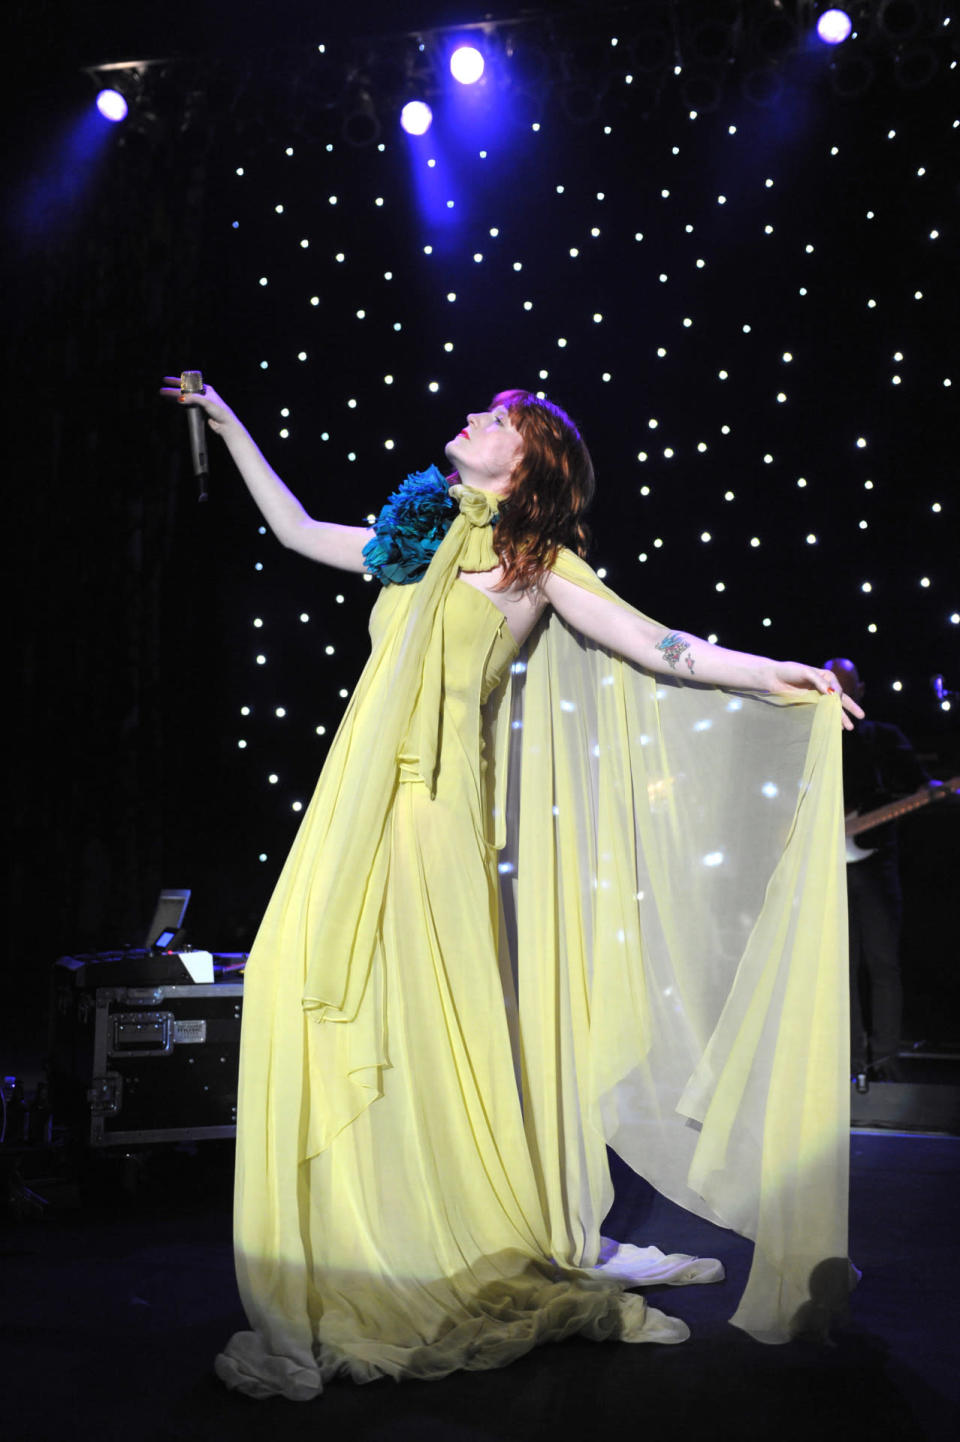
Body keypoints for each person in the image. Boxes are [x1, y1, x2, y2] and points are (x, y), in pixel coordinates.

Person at [161, 378, 862, 1399]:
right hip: (356, 803)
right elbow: (298, 526)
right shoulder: (414, 539)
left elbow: (667, 647)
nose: (476, 421)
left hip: (433, 818)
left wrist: (777, 671)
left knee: (412, 1020)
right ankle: (368, 1231)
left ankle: (446, 1234)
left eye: (500, 421)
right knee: (292, 984)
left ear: (528, 465)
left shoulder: (540, 571)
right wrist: (227, 423)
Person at [824, 658, 933, 1083]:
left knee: (883, 962)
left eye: (846, 687)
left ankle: (886, 1058)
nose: (838, 694)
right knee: (841, 967)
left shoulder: (883, 738)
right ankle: (848, 1059)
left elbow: (920, 785)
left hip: (875, 861)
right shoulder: (810, 738)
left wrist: (925, 795)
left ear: (861, 690)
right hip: (827, 867)